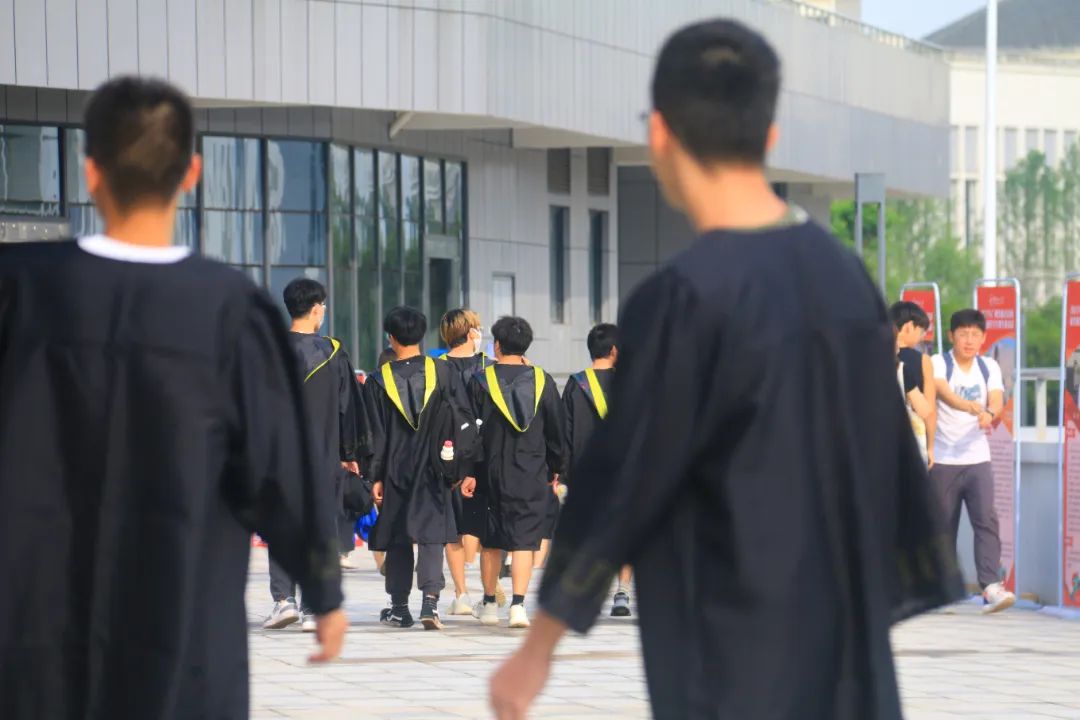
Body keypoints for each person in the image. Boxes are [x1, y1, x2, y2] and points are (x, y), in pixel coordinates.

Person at [489, 20, 961, 720]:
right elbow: (882, 460)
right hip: (847, 653)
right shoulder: (846, 279)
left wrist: (540, 644)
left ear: (659, 133)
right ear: (770, 135)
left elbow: (624, 473)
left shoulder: (681, 297)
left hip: (730, 652)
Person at [0, 77, 347, 720]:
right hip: (182, 636)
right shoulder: (230, 310)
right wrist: (323, 589)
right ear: (191, 172)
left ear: (90, 171)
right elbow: (279, 469)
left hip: (31, 637)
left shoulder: (19, 291)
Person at [263, 278, 369, 632]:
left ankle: (283, 601)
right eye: (322, 305)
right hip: (323, 457)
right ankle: (313, 607)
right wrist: (350, 452)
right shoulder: (333, 352)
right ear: (315, 308)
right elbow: (347, 407)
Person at [365, 306, 464, 630]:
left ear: (391, 337)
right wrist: (457, 467)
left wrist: (375, 476)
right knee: (432, 535)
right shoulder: (444, 372)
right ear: (423, 335)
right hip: (434, 468)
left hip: (395, 469)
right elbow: (462, 420)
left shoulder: (378, 381)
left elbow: (375, 435)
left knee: (398, 534)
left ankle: (399, 607)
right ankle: (430, 604)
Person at [467, 317, 566, 629]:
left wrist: (468, 471)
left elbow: (469, 432)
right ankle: (519, 606)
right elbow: (556, 429)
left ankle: (488, 603)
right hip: (531, 469)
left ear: (497, 345)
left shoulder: (481, 380)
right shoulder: (542, 380)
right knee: (524, 540)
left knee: (491, 539)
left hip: (489, 469)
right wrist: (557, 467)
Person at [931, 309, 1016, 614]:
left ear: (983, 338)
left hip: (977, 458)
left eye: (975, 334)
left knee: (986, 520)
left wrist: (990, 414)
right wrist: (967, 406)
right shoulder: (938, 362)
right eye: (963, 334)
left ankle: (991, 587)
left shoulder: (988, 366)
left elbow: (997, 398)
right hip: (942, 458)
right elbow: (942, 391)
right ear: (951, 335)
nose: (969, 340)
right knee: (942, 524)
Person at [560, 323, 633, 617]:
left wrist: (561, 474)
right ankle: (622, 593)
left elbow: (564, 434)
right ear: (615, 350)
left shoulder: (575, 384)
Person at [437, 309, 501, 616]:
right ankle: (489, 589)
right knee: (485, 524)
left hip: (449, 454)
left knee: (452, 527)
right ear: (471, 332)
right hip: (485, 456)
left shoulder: (437, 368)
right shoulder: (490, 367)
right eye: (478, 327)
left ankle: (461, 594)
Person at [889, 301, 937, 466]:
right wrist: (930, 448)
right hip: (910, 444)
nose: (921, 337)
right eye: (921, 331)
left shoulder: (871, 359)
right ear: (909, 326)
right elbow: (928, 412)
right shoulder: (922, 361)